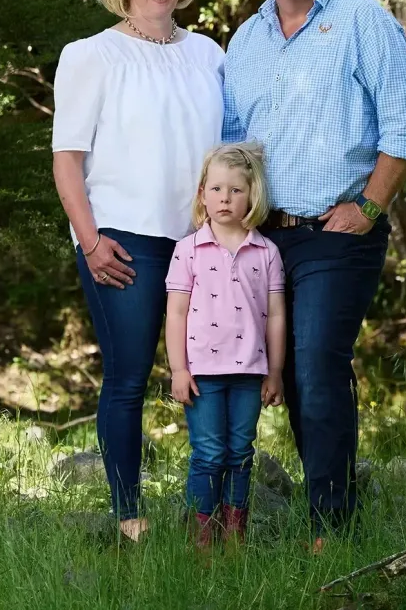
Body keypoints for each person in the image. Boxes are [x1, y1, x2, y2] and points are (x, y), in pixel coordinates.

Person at [222, 0, 406, 547]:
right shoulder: (246, 39)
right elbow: (231, 145)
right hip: (263, 238)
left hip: (337, 232)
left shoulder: (362, 20)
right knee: (281, 376)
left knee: (316, 362)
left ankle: (331, 530)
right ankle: (322, 507)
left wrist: (368, 206)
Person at [52, 0, 224, 542]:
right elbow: (67, 160)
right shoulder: (91, 55)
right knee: (128, 376)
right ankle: (130, 515)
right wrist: (90, 240)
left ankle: (209, 514)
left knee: (211, 372)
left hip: (204, 242)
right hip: (124, 239)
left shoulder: (208, 52)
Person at [164, 143, 287, 547]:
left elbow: (276, 316)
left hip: (250, 372)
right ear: (202, 193)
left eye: (235, 190)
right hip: (202, 374)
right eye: (216, 189)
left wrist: (275, 371)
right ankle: (202, 536)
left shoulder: (266, 252)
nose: (224, 198)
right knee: (209, 454)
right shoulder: (188, 250)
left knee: (240, 453)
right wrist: (179, 370)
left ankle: (234, 533)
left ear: (252, 196)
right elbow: (176, 313)